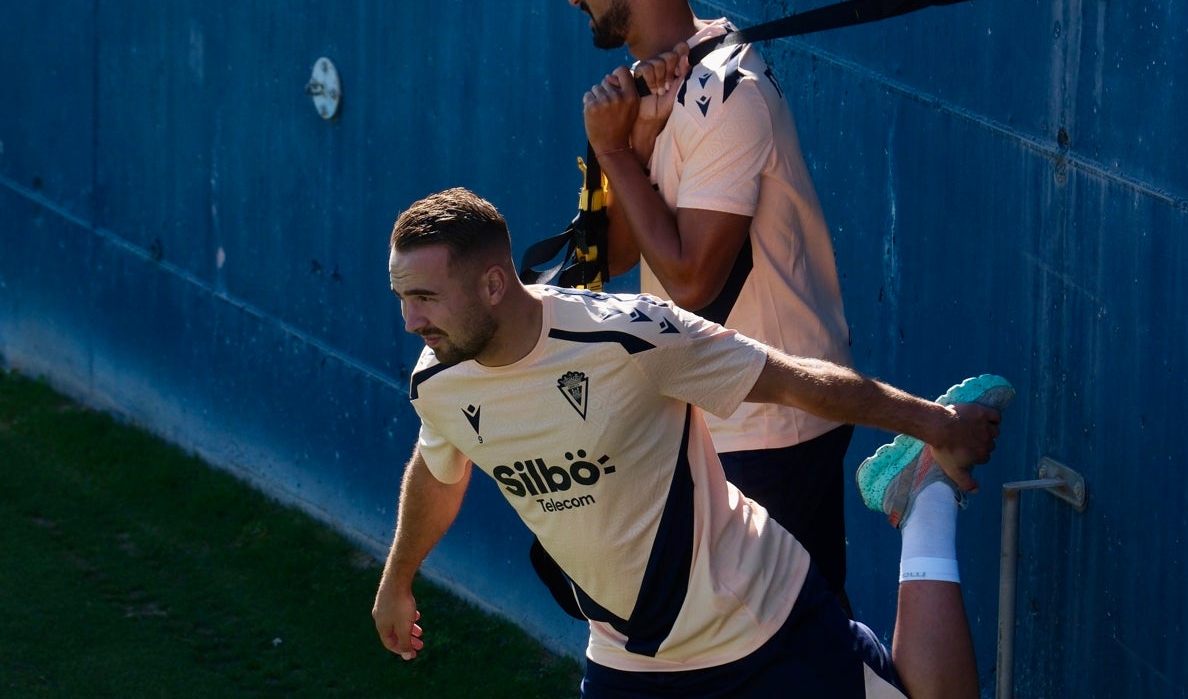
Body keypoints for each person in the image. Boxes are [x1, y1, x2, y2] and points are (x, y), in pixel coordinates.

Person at [372, 188, 1014, 698]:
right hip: (630, 658)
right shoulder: (440, 380)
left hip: (758, 622)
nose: (410, 321)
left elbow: (795, 383)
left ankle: (925, 489)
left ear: (491, 285)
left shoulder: (628, 336)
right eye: (402, 298)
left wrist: (934, 422)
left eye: (425, 297)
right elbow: (439, 468)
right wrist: (396, 579)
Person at [558, 0, 857, 604]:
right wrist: (625, 145)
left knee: (795, 656)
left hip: (778, 422)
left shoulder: (729, 96)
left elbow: (690, 279)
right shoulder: (653, 88)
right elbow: (625, 257)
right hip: (714, 415)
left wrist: (620, 155)